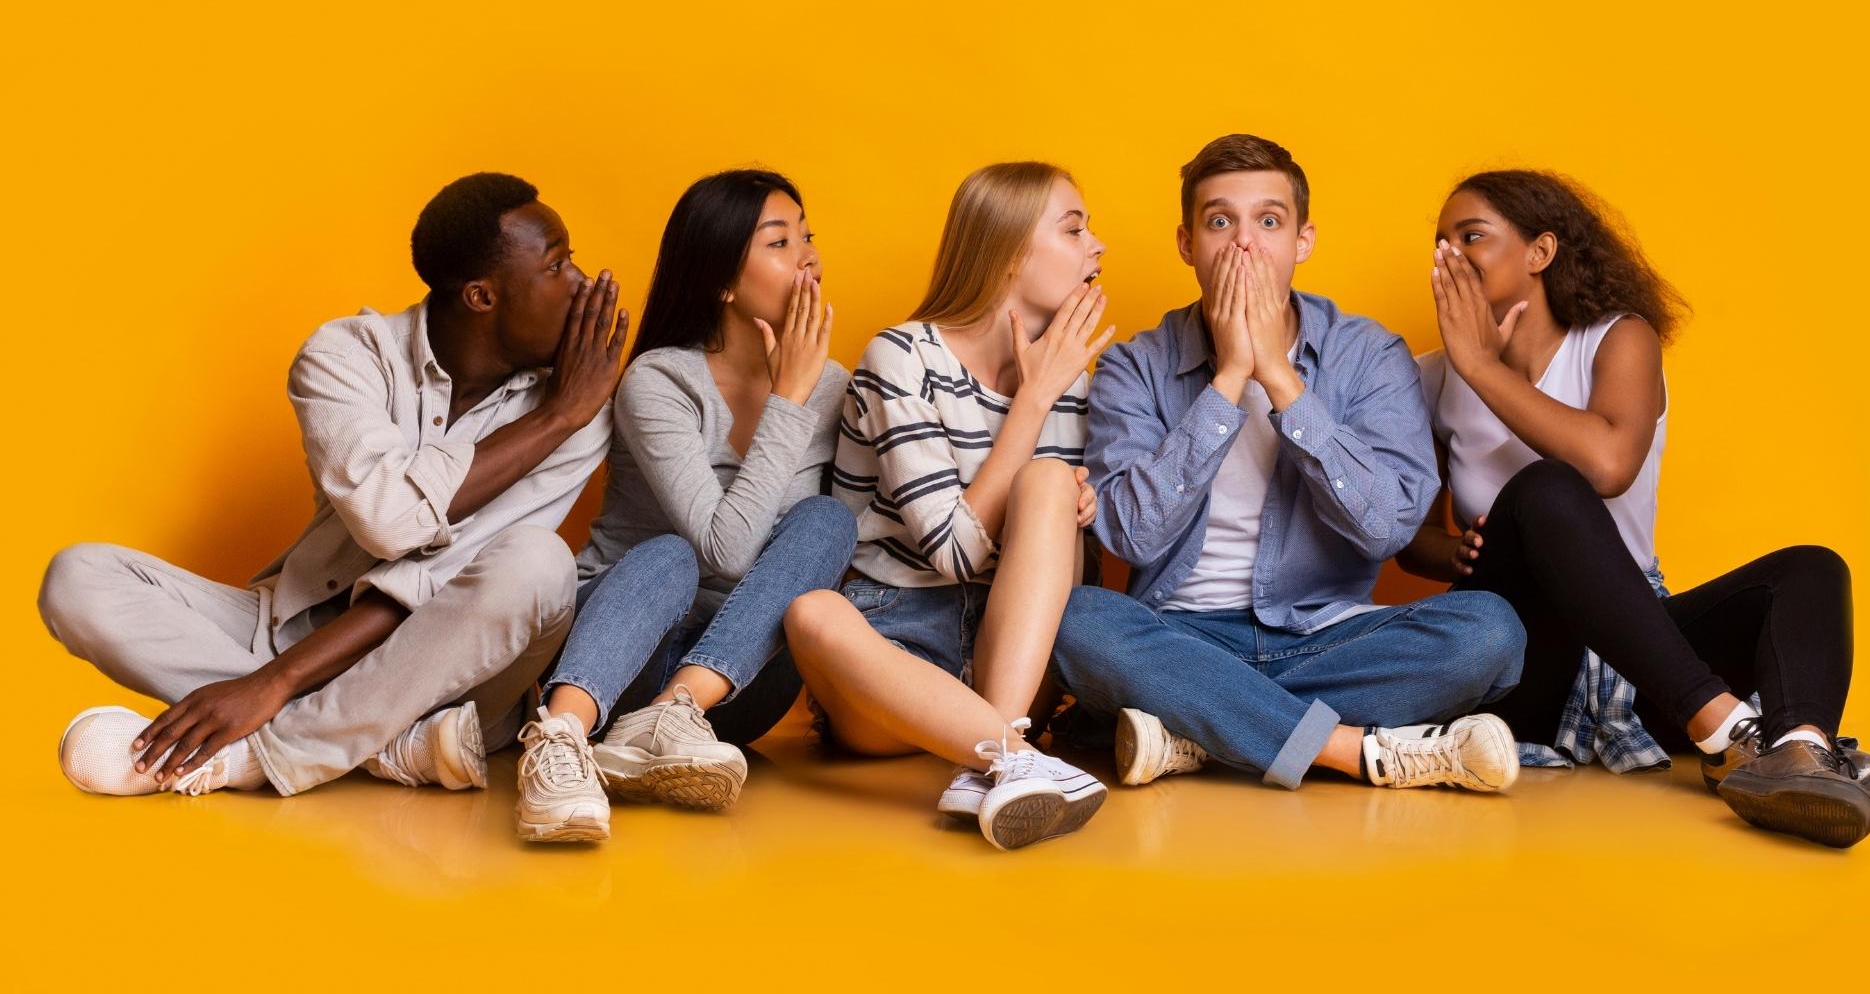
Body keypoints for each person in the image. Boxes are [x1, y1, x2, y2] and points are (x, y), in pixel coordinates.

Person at [45, 172, 626, 802]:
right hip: (295, 623)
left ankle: (266, 750)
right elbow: (391, 524)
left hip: (449, 667)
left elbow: (437, 578)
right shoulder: (344, 356)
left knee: (538, 563)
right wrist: (273, 672)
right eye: (557, 264)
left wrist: (273, 684)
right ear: (482, 297)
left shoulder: (582, 399)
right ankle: (390, 745)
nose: (583, 285)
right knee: (78, 578)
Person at [1395, 169, 1870, 847]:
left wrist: (1484, 366)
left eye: (1470, 236)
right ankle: (1728, 733)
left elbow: (1608, 463)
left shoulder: (1618, 339)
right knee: (1544, 489)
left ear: (1540, 252)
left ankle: (1797, 754)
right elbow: (1403, 535)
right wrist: (1447, 551)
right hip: (1522, 658)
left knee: (1810, 569)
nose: (1448, 255)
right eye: (1441, 242)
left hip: (1640, 659)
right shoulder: (1431, 377)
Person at [1051, 134, 1527, 796]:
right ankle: (1348, 751)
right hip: (1180, 635)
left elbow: (1387, 527)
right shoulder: (1136, 365)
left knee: (1489, 634)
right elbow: (1131, 535)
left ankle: (1196, 728)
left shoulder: (1367, 356)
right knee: (1076, 622)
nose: (1245, 245)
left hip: (1327, 636)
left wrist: (1279, 379)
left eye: (1268, 222)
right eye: (1220, 221)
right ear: (1188, 243)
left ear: (1302, 240)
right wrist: (1229, 378)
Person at [514, 169, 856, 842]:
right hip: (616, 659)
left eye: (808, 237)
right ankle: (557, 741)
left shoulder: (834, 387)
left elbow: (841, 547)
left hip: (730, 696)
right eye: (781, 243)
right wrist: (788, 399)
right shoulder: (660, 380)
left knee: (829, 522)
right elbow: (721, 550)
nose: (810, 257)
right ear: (723, 283)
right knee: (671, 554)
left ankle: (674, 717)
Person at [782, 162, 1112, 850]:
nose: (1097, 246)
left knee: (1050, 483)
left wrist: (1066, 510)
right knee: (812, 612)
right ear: (1011, 252)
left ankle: (993, 757)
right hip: (894, 652)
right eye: (1075, 228)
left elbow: (1052, 566)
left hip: (1009, 651)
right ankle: (1008, 755)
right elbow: (954, 552)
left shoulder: (1066, 375)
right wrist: (1032, 402)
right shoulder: (899, 358)